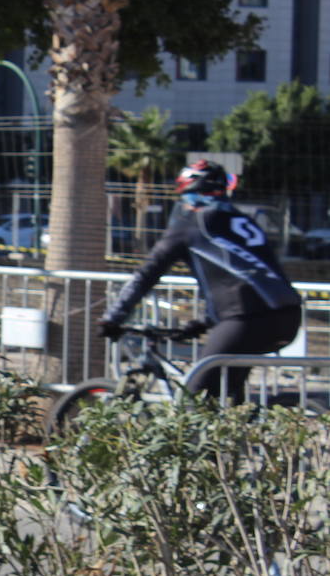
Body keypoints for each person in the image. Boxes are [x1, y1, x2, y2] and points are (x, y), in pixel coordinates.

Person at [99, 159, 302, 405]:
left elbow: (146, 274)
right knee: (224, 396)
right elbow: (246, 275)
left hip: (246, 319)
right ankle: (238, 436)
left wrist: (114, 317)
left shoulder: (190, 226)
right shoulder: (243, 221)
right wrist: (205, 321)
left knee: (192, 401)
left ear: (188, 192)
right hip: (288, 317)